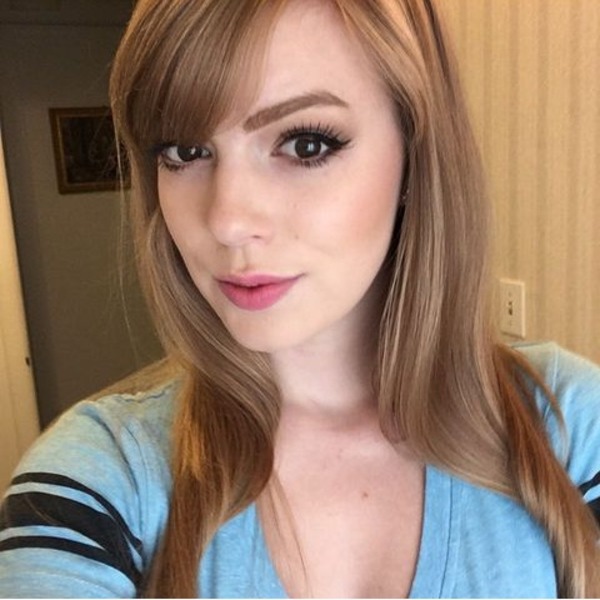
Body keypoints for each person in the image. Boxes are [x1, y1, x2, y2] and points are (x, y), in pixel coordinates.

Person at [1, 0, 599, 597]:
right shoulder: (99, 478)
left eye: (306, 144)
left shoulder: (570, 425)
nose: (228, 221)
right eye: (184, 151)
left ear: (415, 156)